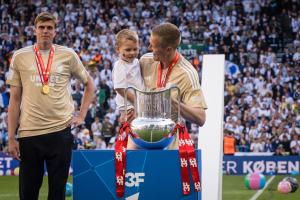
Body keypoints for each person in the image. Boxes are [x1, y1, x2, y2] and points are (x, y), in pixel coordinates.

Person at [6, 12, 94, 200]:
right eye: (42, 27)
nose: (45, 31)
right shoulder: (20, 57)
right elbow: (14, 100)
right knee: (28, 193)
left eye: (49, 28)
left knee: (57, 192)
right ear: (34, 30)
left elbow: (89, 84)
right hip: (29, 133)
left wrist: (81, 115)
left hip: (60, 131)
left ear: (55, 31)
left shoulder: (68, 54)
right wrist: (11, 137)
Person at [131, 22, 207, 149]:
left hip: (169, 143)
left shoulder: (187, 74)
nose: (149, 47)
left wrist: (174, 102)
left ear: (168, 49)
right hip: (141, 138)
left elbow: (201, 118)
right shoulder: (145, 61)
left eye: (153, 45)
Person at [112, 29, 144, 113]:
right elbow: (120, 89)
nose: (132, 53)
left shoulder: (136, 61)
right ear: (118, 49)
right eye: (128, 50)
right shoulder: (120, 65)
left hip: (138, 105)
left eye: (135, 49)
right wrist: (138, 103)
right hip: (129, 107)